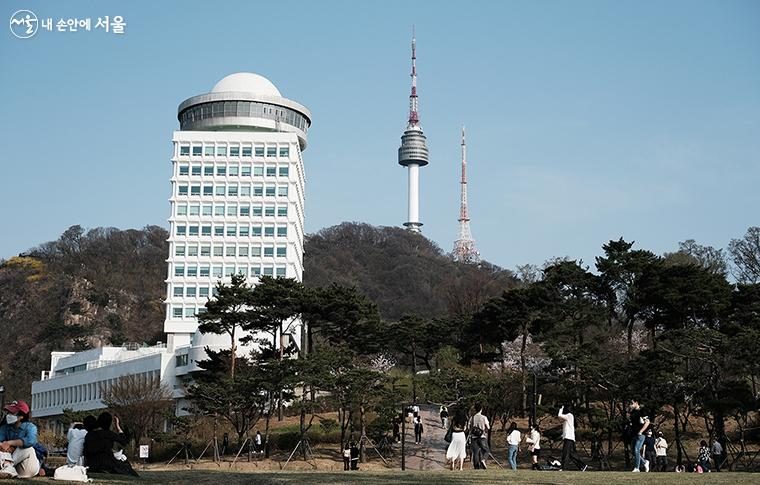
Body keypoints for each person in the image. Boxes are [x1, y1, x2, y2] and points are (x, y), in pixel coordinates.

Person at [83, 412, 138, 477]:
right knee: (126, 467)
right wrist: (117, 426)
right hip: (107, 462)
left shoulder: (89, 435)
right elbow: (124, 441)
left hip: (92, 463)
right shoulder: (109, 434)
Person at [0, 400, 40, 479]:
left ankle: (8, 465)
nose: (8, 415)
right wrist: (4, 445)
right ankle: (8, 468)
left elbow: (30, 441)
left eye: (12, 413)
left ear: (21, 416)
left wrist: (10, 443)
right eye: (8, 413)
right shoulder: (4, 428)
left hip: (28, 467)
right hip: (13, 465)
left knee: (28, 448)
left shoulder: (31, 427)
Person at [558, 403, 587, 471]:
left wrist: (560, 409)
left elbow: (559, 415)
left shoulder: (569, 415)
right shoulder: (569, 416)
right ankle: (582, 466)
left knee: (565, 452)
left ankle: (562, 467)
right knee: (571, 454)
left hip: (568, 437)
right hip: (569, 437)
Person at [628, 399, 650, 472]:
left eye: (631, 403)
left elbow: (647, 422)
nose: (630, 405)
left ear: (636, 403)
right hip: (634, 434)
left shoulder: (642, 411)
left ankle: (637, 468)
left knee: (636, 449)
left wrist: (641, 431)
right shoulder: (633, 412)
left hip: (641, 434)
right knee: (633, 452)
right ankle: (645, 462)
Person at [468, 402, 490, 469]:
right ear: (481, 409)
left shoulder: (472, 418)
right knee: (486, 450)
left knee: (475, 453)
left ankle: (476, 467)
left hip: (474, 437)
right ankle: (483, 459)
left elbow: (469, 427)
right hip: (482, 436)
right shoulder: (484, 417)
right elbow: (488, 427)